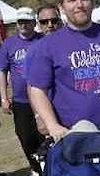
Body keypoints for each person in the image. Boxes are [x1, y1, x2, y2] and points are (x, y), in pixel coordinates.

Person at [27, 0, 100, 143]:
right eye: (71, 1)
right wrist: (52, 125)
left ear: (93, 3)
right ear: (61, 8)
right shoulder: (47, 45)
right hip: (76, 139)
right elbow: (38, 90)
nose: (79, 5)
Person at [0, 7, 44, 176]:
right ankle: (35, 166)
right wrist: (3, 97)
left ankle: (49, 165)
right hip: (21, 100)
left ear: (33, 23)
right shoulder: (9, 44)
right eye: (19, 22)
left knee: (45, 135)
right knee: (25, 136)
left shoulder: (43, 40)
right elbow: (1, 70)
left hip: (43, 98)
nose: (23, 25)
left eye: (26, 21)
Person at [24, 4, 64, 136]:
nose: (50, 25)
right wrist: (38, 116)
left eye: (54, 20)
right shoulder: (34, 51)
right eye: (44, 22)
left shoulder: (73, 43)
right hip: (51, 113)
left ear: (61, 21)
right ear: (38, 24)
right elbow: (31, 87)